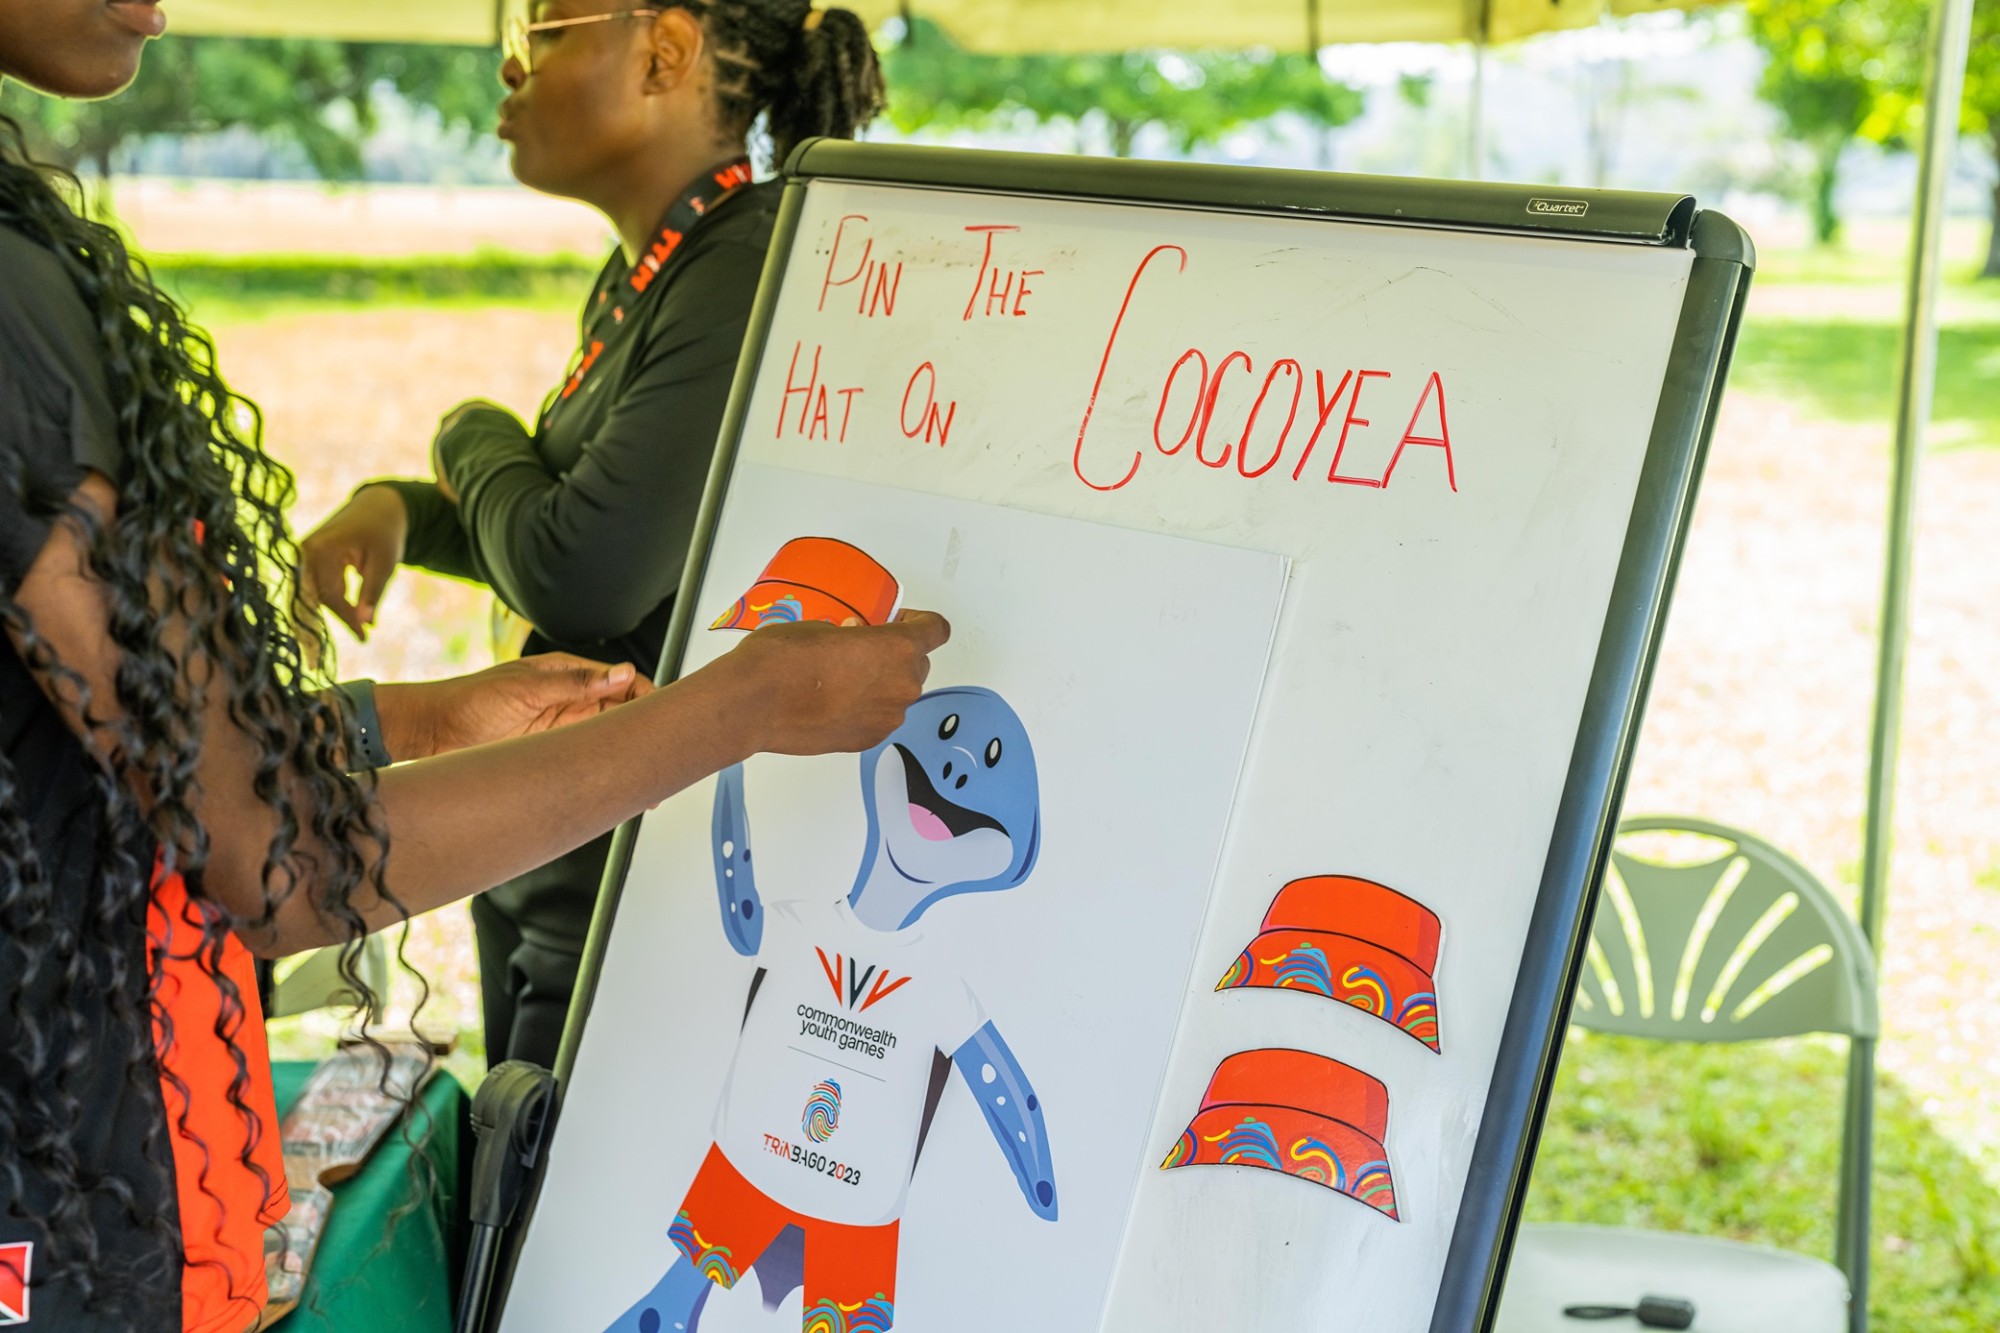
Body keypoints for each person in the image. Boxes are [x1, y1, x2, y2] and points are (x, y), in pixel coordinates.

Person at [0, 4, 948, 1330]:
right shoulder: (16, 303)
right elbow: (273, 855)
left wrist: (409, 719)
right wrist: (737, 705)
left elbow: (132, 750)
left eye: (541, 25)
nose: (512, 60)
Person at [299, 0, 887, 1071]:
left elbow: (580, 573)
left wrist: (463, 428)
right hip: (548, 847)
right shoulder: (649, 270)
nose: (509, 72)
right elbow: (568, 513)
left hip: (628, 892)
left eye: (542, 33)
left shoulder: (746, 266)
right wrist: (406, 506)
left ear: (664, 52)